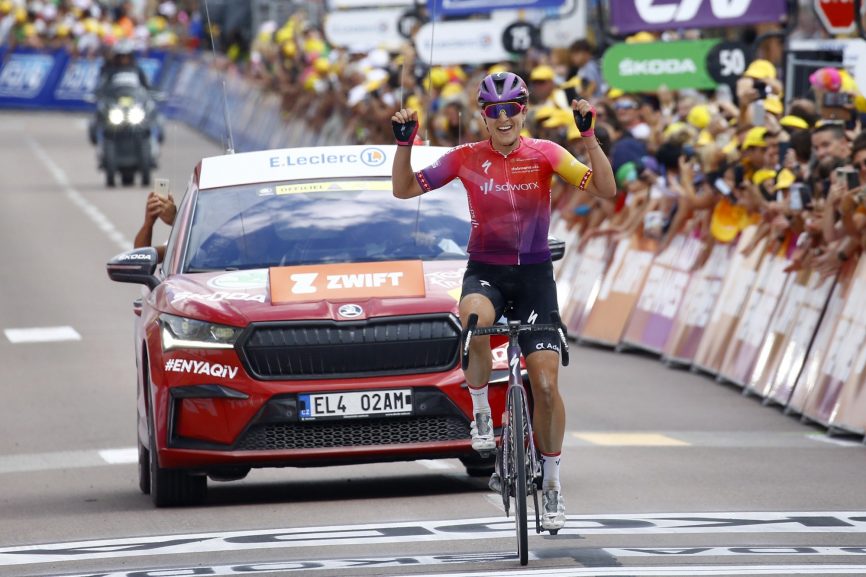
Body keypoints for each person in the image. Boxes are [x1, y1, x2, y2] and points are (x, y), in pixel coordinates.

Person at [390, 71, 615, 531]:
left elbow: (605, 189)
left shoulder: (547, 154)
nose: (504, 117)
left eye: (512, 108)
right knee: (473, 322)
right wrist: (405, 144)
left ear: (524, 109)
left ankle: (551, 484)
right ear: (483, 116)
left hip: (534, 277)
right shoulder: (466, 157)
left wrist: (588, 136)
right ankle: (478, 410)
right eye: (494, 111)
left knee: (547, 388)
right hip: (486, 271)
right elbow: (404, 189)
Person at [134, 189, 176, 262]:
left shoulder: (196, 243)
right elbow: (140, 257)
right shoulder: (183, 246)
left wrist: (175, 221)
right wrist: (148, 223)